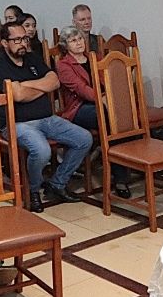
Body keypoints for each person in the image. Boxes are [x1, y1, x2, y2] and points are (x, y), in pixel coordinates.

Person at [0, 21, 92, 212]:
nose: (23, 43)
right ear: (4, 43)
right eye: (17, 40)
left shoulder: (33, 57)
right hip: (16, 123)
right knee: (42, 151)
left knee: (84, 139)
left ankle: (57, 183)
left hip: (47, 118)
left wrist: (25, 85)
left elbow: (54, 81)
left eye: (25, 39)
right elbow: (17, 95)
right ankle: (33, 190)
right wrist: (39, 87)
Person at [55, 30, 131, 197]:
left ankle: (126, 166)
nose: (78, 42)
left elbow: (108, 79)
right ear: (65, 46)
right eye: (73, 40)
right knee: (110, 118)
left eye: (80, 39)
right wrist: (102, 99)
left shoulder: (94, 58)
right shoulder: (63, 65)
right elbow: (81, 89)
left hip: (104, 102)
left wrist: (109, 97)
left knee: (122, 117)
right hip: (79, 108)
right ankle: (121, 176)